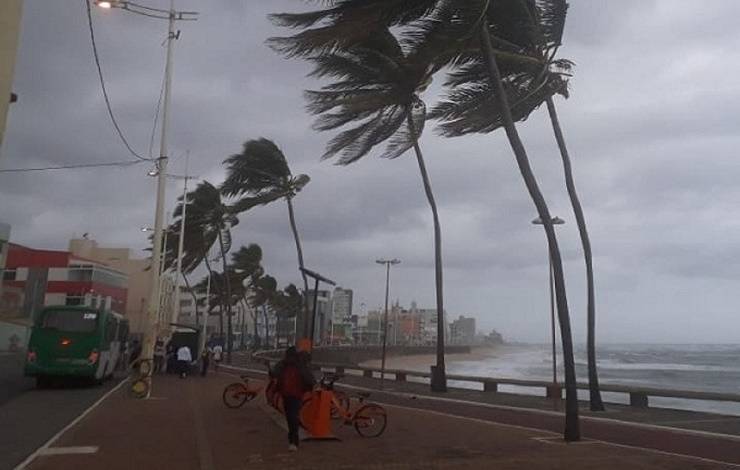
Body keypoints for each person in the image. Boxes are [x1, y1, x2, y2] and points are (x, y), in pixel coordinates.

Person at [272, 347, 315, 451]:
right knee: (293, 417)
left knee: (290, 417)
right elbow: (310, 379)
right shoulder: (300, 365)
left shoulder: (284, 364)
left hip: (286, 394)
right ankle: (293, 441)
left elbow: (274, 373)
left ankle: (293, 440)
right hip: (297, 395)